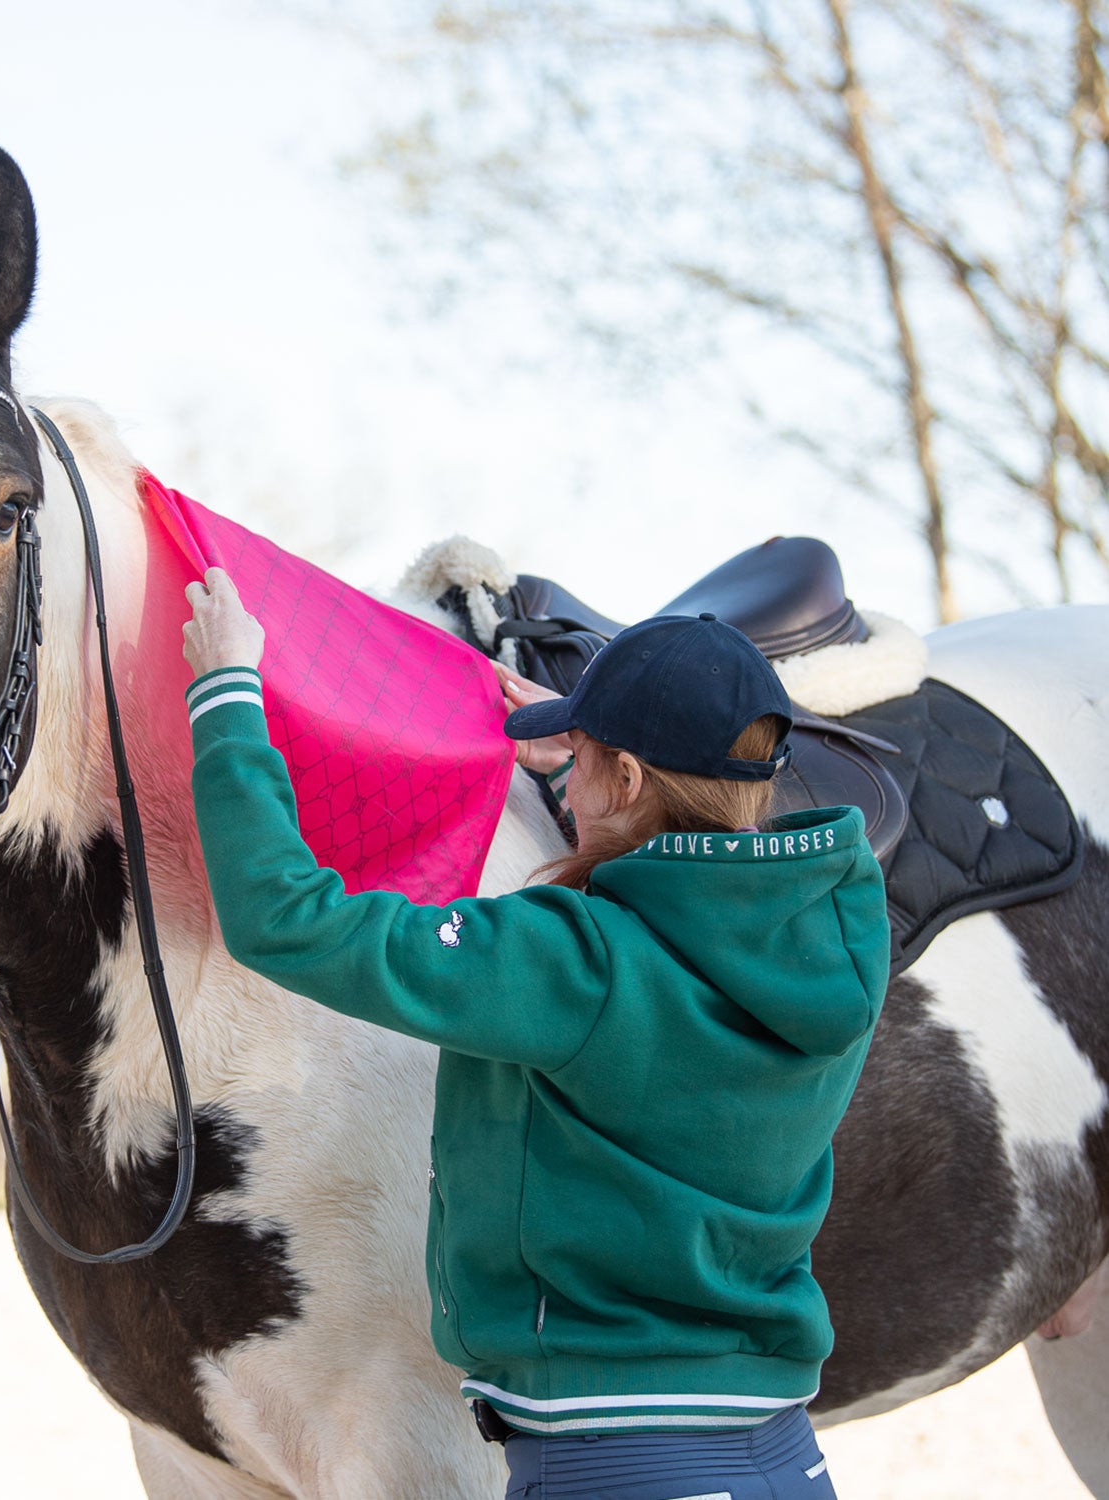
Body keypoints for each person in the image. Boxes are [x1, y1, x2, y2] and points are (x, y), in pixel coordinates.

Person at [182, 567, 889, 1500]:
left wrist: (226, 698)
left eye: (594, 753)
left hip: (617, 1471)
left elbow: (286, 920)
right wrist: (605, 780)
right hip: (776, 1456)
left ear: (631, 775)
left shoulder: (575, 961)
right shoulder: (833, 935)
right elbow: (696, 885)